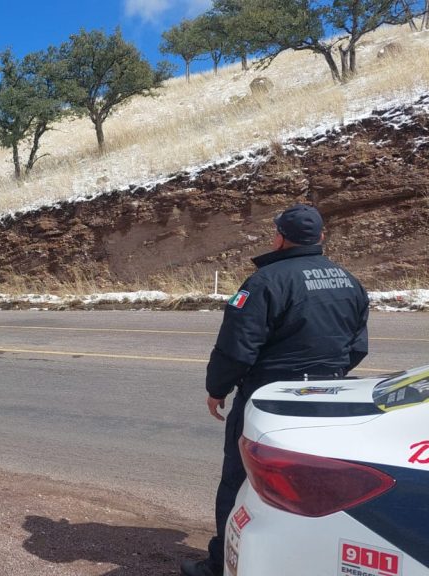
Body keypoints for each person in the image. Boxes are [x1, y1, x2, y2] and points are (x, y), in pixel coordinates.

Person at [181, 204, 369, 576]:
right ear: (321, 237)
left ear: (280, 237)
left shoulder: (265, 281)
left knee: (240, 481)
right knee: (309, 486)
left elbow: (236, 348)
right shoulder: (348, 280)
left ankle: (224, 563)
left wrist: (216, 389)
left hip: (268, 402)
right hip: (326, 400)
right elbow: (357, 347)